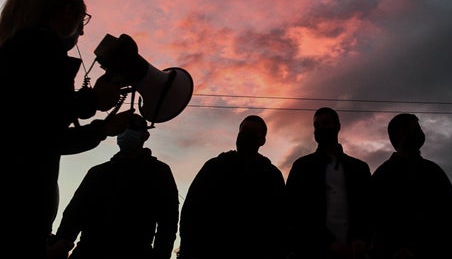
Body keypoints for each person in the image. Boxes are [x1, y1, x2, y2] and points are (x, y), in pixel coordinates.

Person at [0, 0, 133, 259]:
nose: (82, 34)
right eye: (82, 20)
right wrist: (94, 102)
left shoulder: (19, 47)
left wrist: (101, 122)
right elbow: (47, 131)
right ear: (68, 13)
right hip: (19, 210)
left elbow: (41, 128)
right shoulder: (43, 50)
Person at [49, 113, 179, 259]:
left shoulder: (158, 172)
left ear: (145, 135)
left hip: (135, 253)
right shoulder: (98, 172)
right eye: (122, 128)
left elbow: (168, 221)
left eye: (132, 128)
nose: (125, 132)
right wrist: (62, 242)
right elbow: (74, 212)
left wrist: (161, 255)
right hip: (88, 252)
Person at [178, 114, 286, 259]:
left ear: (262, 140)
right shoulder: (214, 167)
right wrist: (187, 250)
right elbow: (191, 211)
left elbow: (280, 220)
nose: (246, 134)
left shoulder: (272, 175)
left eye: (253, 132)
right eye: (243, 130)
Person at [369, 113, 452, 259]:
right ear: (402, 132)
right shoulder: (383, 176)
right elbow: (376, 222)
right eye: (416, 127)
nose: (420, 132)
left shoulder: (433, 170)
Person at [286, 107, 372, 259]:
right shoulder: (302, 167)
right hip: (313, 252)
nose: (320, 128)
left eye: (325, 123)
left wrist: (360, 239)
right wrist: (325, 243)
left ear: (338, 127)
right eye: (316, 125)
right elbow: (294, 211)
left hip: (355, 252)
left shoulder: (359, 168)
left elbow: (368, 207)